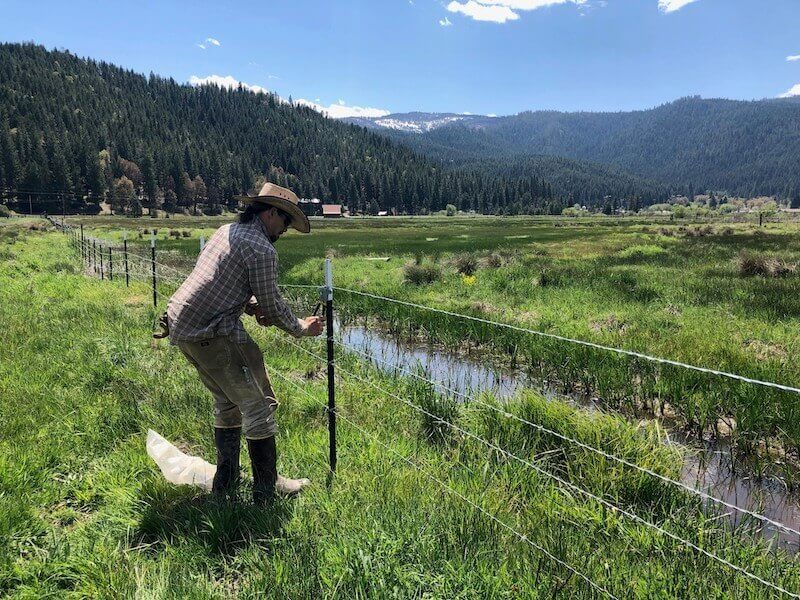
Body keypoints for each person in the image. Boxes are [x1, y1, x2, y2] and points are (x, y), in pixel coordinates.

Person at [166, 182, 324, 504]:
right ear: (270, 213)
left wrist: (253, 307)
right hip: (212, 332)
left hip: (182, 327)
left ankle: (225, 486)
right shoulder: (262, 248)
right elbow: (273, 301)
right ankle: (266, 493)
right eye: (285, 222)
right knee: (258, 407)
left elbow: (224, 280)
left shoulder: (227, 231)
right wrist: (301, 328)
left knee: (227, 403)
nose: (284, 231)